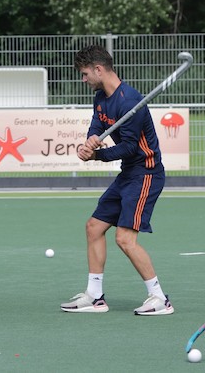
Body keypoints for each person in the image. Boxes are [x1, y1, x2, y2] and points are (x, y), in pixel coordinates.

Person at [60, 45, 173, 316]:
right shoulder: (101, 97)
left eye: (85, 74)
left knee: (124, 238)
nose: (83, 79)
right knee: (94, 227)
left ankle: (159, 299)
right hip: (128, 174)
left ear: (99, 69)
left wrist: (96, 156)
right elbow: (97, 124)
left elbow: (130, 147)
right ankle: (95, 297)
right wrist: (90, 140)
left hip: (146, 173)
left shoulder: (130, 101)